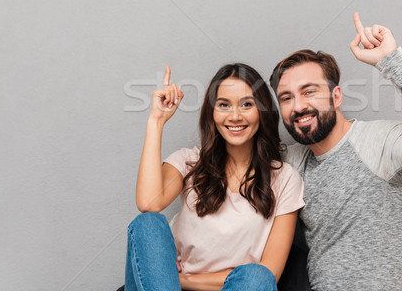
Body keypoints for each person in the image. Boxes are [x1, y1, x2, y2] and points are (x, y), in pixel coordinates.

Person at [271, 13, 402, 291]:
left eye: (309, 91)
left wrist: (390, 60)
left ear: (336, 96)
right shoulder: (292, 162)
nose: (298, 106)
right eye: (286, 98)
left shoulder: (379, 142)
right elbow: (234, 167)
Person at [124, 63, 305, 291]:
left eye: (247, 104)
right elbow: (148, 203)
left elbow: (270, 273)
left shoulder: (285, 179)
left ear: (263, 111)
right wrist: (156, 121)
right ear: (212, 112)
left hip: (222, 287)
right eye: (224, 105)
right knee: (148, 223)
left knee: (257, 277)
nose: (235, 116)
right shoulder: (189, 160)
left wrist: (185, 281)